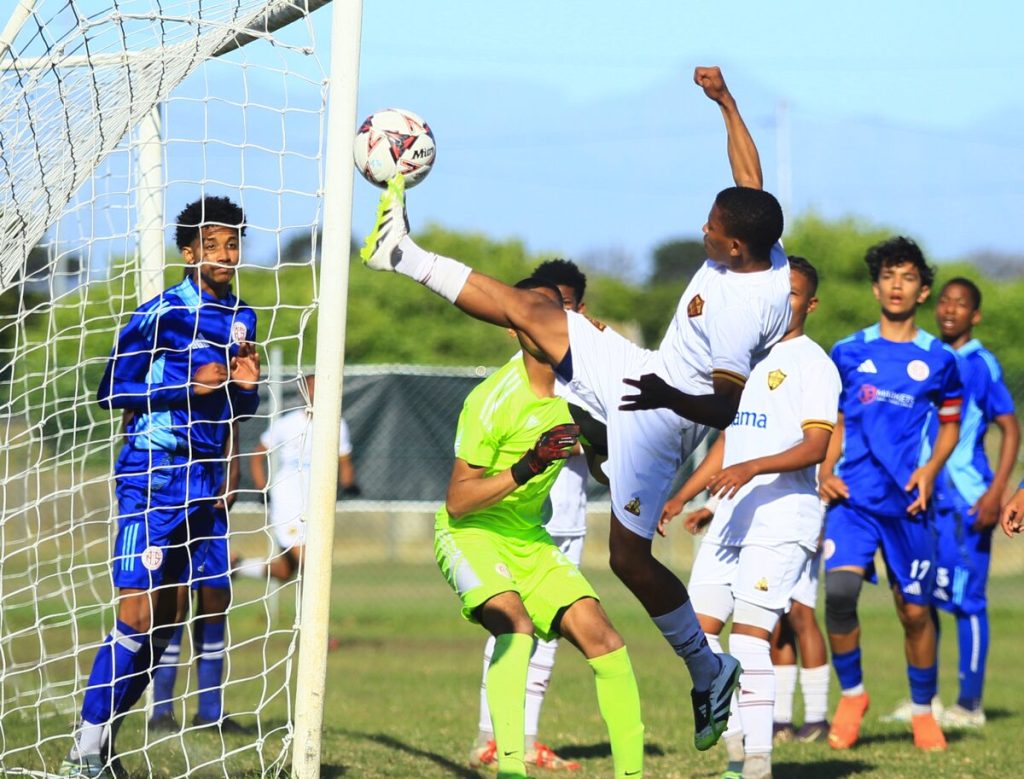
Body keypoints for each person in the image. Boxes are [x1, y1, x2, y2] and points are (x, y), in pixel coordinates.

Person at [362, 65, 790, 751]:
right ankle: (401, 252)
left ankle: (708, 672)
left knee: (629, 559)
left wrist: (661, 397)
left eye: (710, 229)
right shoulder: (759, 243)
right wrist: (727, 104)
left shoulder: (746, 306)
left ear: (735, 246)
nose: (702, 230)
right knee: (537, 309)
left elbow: (724, 406)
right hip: (645, 374)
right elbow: (752, 179)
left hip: (664, 417)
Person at [60, 196, 260, 778]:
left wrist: (245, 388)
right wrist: (184, 391)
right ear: (189, 251)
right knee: (138, 615)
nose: (224, 255)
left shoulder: (244, 316)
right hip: (152, 475)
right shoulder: (160, 314)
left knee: (172, 619)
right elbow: (109, 391)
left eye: (233, 244)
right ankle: (82, 753)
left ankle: (102, 745)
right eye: (213, 245)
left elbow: (235, 406)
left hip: (204, 480)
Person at [435, 276, 644, 779]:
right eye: (531, 312)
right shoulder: (491, 400)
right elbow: (459, 502)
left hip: (531, 538)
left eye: (556, 314)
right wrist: (527, 466)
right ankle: (511, 769)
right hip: (472, 537)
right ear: (513, 324)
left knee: (606, 641)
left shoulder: (584, 394)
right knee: (517, 627)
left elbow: (602, 468)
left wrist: (611, 452)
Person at [659, 256, 840, 779]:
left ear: (810, 303)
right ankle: (738, 738)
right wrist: (685, 497)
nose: (782, 304)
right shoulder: (743, 358)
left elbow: (815, 447)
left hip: (782, 519)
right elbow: (728, 442)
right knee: (697, 633)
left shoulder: (813, 364)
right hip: (733, 515)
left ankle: (754, 761)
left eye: (793, 295)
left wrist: (752, 467)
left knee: (748, 638)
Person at [819, 237, 961, 752]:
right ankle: (853, 695)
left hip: (909, 504)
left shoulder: (940, 359)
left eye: (906, 277)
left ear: (923, 291)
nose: (895, 285)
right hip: (853, 501)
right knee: (837, 596)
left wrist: (930, 468)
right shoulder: (848, 351)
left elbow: (950, 425)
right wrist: (825, 469)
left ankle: (924, 710)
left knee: (915, 612)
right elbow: (835, 419)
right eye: (887, 276)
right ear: (875, 285)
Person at [470, 259, 589, 772]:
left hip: (568, 523)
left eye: (559, 305)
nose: (547, 315)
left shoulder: (589, 374)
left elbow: (602, 449)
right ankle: (488, 738)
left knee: (551, 638)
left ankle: (527, 736)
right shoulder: (518, 380)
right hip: (514, 525)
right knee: (510, 632)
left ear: (577, 310)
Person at [921, 277, 1017, 728]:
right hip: (926, 496)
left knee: (968, 600)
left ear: (974, 315)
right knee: (925, 594)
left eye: (961, 304)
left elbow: (1010, 428)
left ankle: (971, 704)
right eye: (944, 301)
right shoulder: (928, 358)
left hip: (967, 495)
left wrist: (998, 492)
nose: (950, 309)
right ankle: (928, 700)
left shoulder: (981, 364)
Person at [148, 424, 247, 734]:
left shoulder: (224, 381)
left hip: (213, 500)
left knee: (216, 596)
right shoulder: (162, 379)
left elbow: (231, 424)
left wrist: (232, 475)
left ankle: (210, 711)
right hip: (173, 497)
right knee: (173, 601)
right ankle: (161, 711)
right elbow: (131, 421)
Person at [237, 374, 360, 583]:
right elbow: (257, 456)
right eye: (310, 387)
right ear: (302, 392)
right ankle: (312, 616)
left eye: (318, 387)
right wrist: (262, 488)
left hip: (317, 501)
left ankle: (236, 566)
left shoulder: (338, 424)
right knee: (310, 563)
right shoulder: (287, 423)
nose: (314, 392)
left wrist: (348, 483)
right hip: (288, 500)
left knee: (285, 571)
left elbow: (344, 459)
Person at [768, 540, 831, 745]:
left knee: (800, 613)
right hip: (773, 532)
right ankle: (781, 722)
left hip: (803, 528)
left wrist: (819, 519)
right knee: (778, 617)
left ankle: (816, 720)